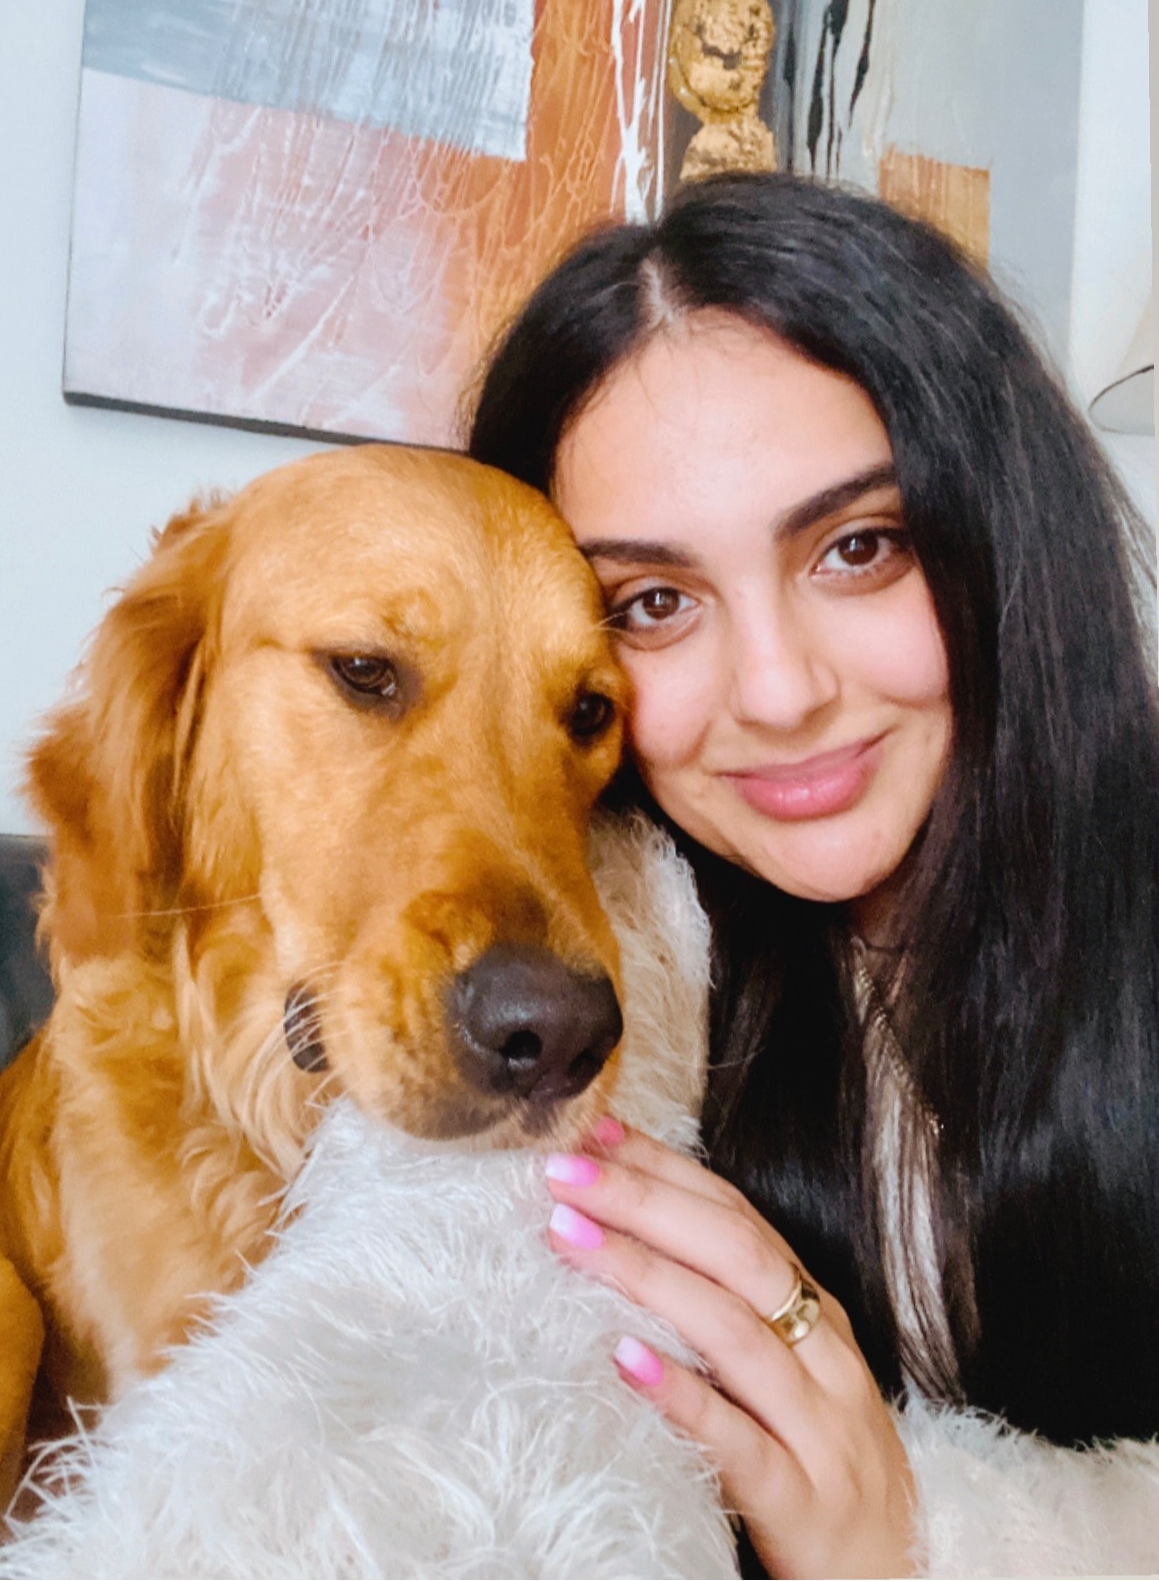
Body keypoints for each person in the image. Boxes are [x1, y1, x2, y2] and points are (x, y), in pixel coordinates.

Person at [466, 172, 1159, 1577]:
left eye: (858, 548)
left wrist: (918, 1543)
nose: (778, 692)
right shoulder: (607, 977)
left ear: (999, 534)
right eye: (653, 604)